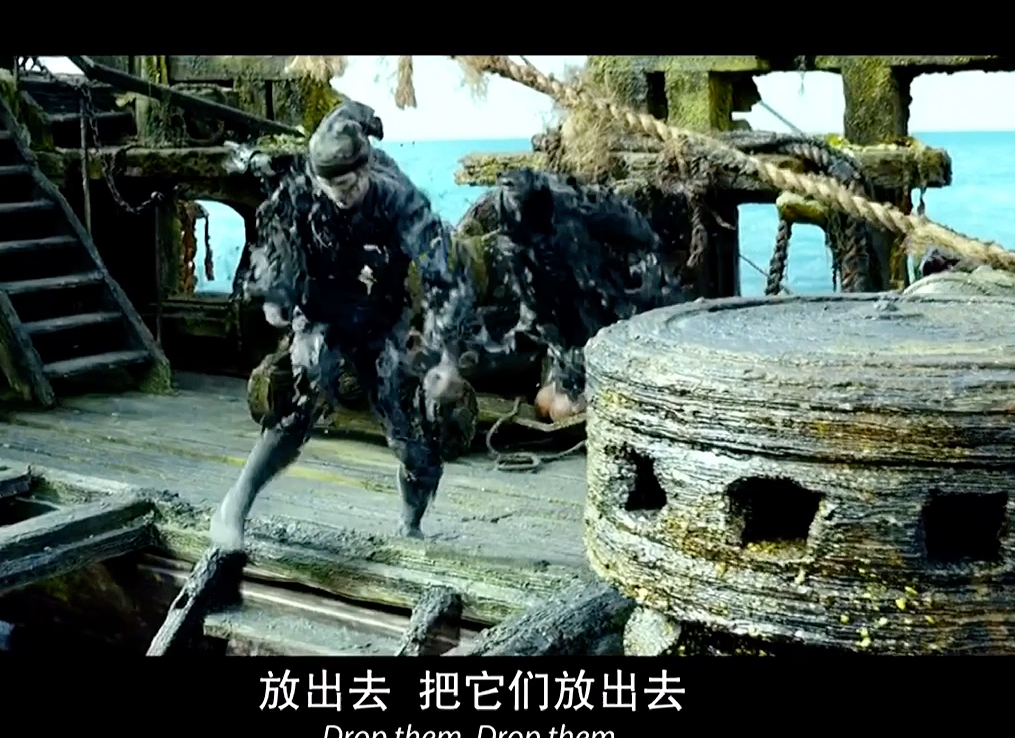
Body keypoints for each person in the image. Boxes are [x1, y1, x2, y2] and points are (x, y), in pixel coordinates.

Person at [213, 100, 477, 560]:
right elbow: (272, 244)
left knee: (415, 433)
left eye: (352, 183)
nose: (343, 194)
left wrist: (448, 358)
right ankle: (235, 505)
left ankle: (410, 525)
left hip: (382, 318)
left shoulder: (398, 198)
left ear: (367, 168)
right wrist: (277, 295)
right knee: (299, 399)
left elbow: (445, 272)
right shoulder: (299, 193)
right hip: (322, 312)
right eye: (332, 185)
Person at [473, 167, 683, 422]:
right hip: (580, 321)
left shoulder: (575, 223)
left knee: (562, 408)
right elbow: (544, 310)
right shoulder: (519, 245)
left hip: (629, 311)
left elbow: (596, 301)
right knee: (547, 404)